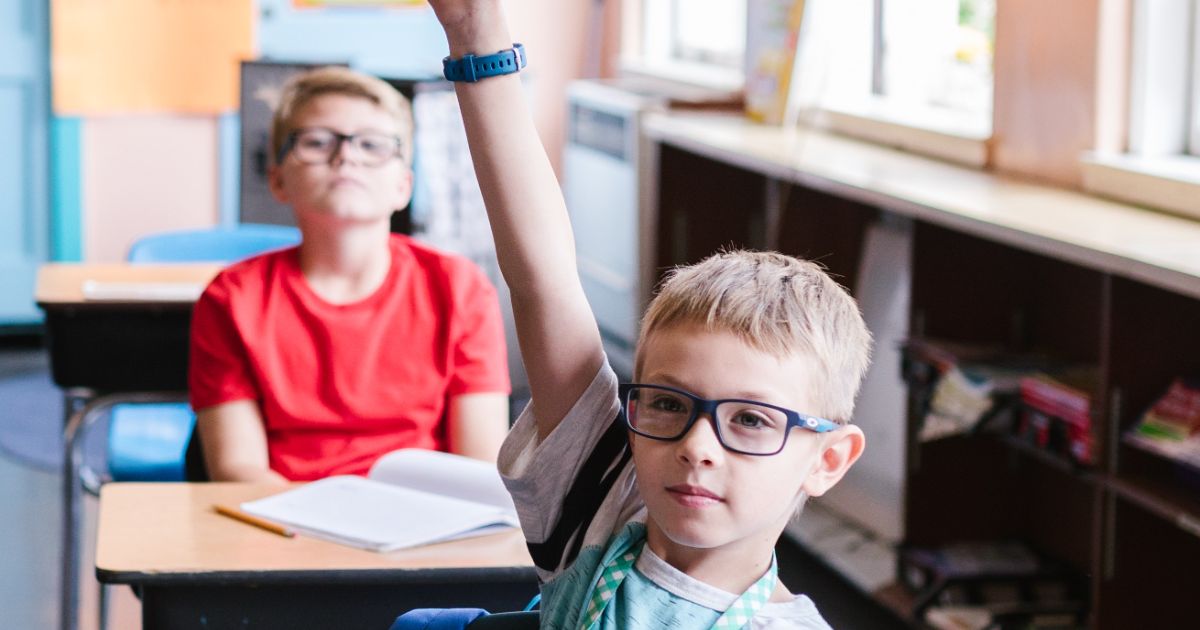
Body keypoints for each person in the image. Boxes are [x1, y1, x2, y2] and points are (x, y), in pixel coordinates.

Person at [426, 2, 873, 627]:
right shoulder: (601, 508)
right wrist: (475, 30)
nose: (697, 447)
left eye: (749, 419)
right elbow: (542, 281)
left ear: (827, 459)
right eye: (667, 404)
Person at [188, 66, 511, 482]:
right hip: (285, 526)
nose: (346, 157)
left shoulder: (461, 290)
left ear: (404, 186)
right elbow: (238, 469)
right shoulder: (231, 298)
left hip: (425, 527)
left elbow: (479, 466)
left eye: (373, 145)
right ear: (278, 180)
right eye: (317, 142)